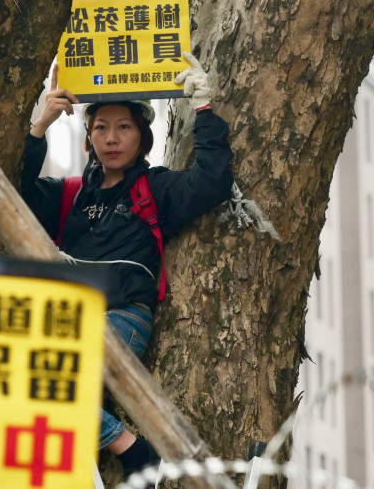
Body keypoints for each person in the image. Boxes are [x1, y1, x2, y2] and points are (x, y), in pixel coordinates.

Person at [20, 51, 234, 482]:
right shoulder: (71, 195)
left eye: (124, 127)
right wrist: (39, 127)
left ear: (141, 138)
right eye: (101, 127)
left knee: (44, 383)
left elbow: (211, 182)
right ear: (88, 136)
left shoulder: (154, 190)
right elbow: (15, 189)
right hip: (70, 322)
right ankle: (128, 449)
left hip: (122, 317)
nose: (111, 138)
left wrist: (204, 109)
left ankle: (132, 451)